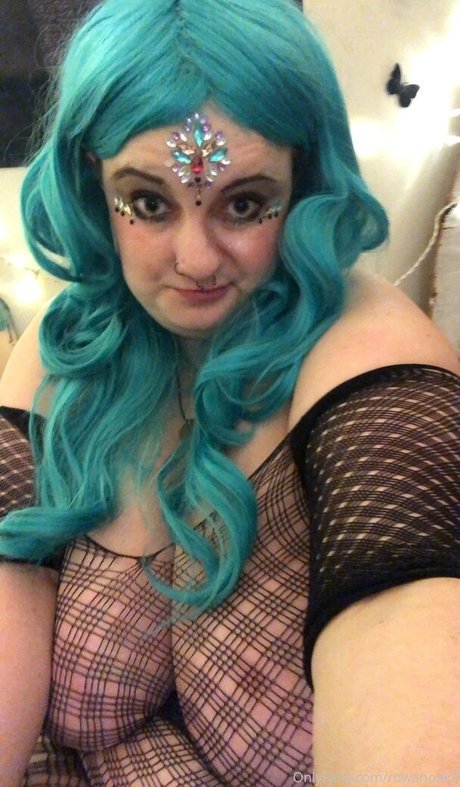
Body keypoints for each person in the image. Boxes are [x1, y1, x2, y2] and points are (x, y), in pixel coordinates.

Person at [1, 0, 459, 784]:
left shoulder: (364, 346)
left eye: (244, 203)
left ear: (303, 184)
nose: (197, 258)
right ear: (91, 183)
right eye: (149, 202)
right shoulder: (66, 348)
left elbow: (406, 615)